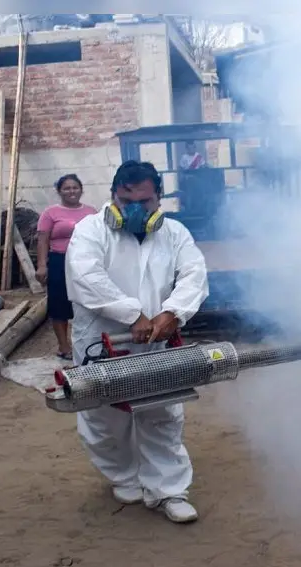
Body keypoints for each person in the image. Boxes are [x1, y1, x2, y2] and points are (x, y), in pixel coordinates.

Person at [65, 160, 210, 523]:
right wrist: (134, 315)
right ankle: (124, 475)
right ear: (114, 196)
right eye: (125, 200)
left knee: (161, 412)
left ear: (158, 199)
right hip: (103, 340)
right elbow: (86, 278)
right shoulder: (90, 231)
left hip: (155, 343)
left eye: (143, 202)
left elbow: (194, 274)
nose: (134, 210)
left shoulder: (174, 233)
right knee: (105, 417)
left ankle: (168, 490)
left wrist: (173, 312)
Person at [35, 174, 97, 360]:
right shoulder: (50, 213)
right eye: (67, 188)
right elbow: (42, 240)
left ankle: (88, 343)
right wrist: (41, 266)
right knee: (59, 303)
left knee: (88, 302)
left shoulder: (92, 212)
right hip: (59, 262)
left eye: (75, 187)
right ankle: (64, 347)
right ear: (59, 191)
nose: (71, 191)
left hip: (86, 263)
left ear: (81, 189)